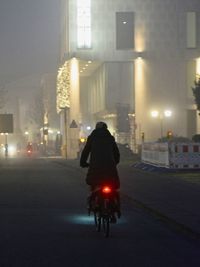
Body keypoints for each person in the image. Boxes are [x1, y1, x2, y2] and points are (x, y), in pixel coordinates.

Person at [80, 121, 121, 220]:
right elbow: (116, 153)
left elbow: (85, 152)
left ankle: (93, 204)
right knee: (113, 188)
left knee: (94, 185)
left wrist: (83, 163)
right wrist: (114, 163)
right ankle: (115, 209)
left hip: (95, 168)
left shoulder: (92, 138)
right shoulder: (110, 138)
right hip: (110, 169)